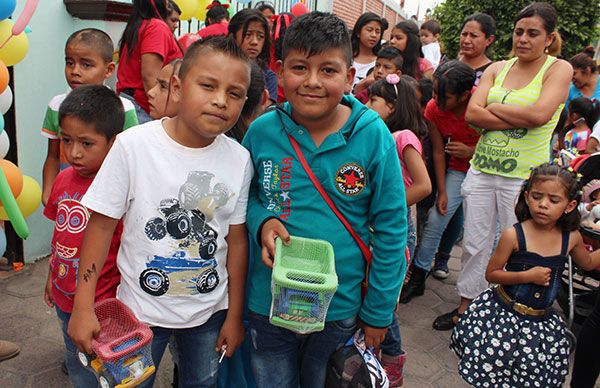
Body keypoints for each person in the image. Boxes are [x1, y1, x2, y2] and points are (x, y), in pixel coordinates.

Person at [67, 36, 254, 387]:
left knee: (202, 383)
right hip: (137, 314)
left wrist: (235, 315)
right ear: (180, 87)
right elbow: (101, 225)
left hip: (208, 315)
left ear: (244, 101)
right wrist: (83, 306)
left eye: (234, 93)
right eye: (208, 85)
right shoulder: (134, 146)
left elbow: (237, 240)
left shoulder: (239, 159)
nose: (219, 100)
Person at [242, 12, 407, 388]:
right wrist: (262, 221)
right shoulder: (263, 131)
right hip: (268, 302)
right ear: (281, 72)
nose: (312, 82)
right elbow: (245, 196)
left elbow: (392, 227)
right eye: (300, 68)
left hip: (339, 306)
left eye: (328, 70)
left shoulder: (373, 135)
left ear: (349, 78)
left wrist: (379, 312)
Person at [436, 1, 573, 331]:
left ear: (548, 37)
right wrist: (521, 119)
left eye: (533, 33)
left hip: (525, 177)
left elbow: (541, 115)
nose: (524, 38)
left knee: (518, 246)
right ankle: (467, 306)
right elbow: (472, 114)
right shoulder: (498, 68)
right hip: (483, 169)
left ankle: (508, 311)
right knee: (474, 243)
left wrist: (494, 113)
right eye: (519, 31)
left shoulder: (558, 69)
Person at [451, 163, 600, 387]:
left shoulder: (571, 237)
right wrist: (527, 276)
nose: (543, 205)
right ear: (527, 196)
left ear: (570, 206)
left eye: (553, 200)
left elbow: (587, 263)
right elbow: (492, 274)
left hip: (539, 323)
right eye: (537, 197)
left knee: (528, 376)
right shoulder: (513, 235)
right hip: (504, 317)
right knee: (494, 372)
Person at [43, 85, 124, 387]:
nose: (73, 152)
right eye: (66, 140)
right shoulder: (63, 180)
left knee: (111, 366)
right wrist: (51, 275)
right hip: (65, 298)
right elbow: (59, 235)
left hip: (105, 302)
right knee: (76, 360)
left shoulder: (120, 188)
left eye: (86, 143)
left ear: (112, 143)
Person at [366, 74, 430, 387]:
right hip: (378, 227)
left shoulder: (403, 136)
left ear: (391, 106)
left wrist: (386, 206)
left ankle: (393, 361)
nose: (366, 105)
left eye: (373, 101)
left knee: (385, 300)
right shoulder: (380, 135)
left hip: (394, 230)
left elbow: (423, 185)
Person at [401, 60, 478, 304]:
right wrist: (442, 191)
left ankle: (478, 292)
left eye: (444, 96)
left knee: (482, 235)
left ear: (466, 95)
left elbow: (502, 142)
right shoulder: (434, 109)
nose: (436, 99)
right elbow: (437, 151)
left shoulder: (482, 102)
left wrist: (471, 151)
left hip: (485, 171)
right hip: (455, 170)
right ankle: (419, 276)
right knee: (436, 218)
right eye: (434, 92)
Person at [41, 28, 138, 206]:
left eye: (86, 65)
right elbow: (53, 156)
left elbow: (133, 159)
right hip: (69, 197)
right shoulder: (56, 106)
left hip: (109, 199)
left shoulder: (124, 109)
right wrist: (48, 190)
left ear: (108, 70)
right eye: (69, 62)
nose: (75, 71)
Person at [116, 0, 182, 123]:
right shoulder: (156, 27)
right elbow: (150, 76)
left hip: (134, 103)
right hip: (143, 108)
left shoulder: (142, 24)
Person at [229, 9, 277, 103]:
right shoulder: (221, 68)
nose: (254, 42)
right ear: (234, 36)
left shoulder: (268, 77)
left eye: (260, 36)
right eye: (248, 34)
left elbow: (266, 111)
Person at [458, 13, 496, 86]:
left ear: (489, 40)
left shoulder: (494, 72)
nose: (466, 41)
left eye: (474, 36)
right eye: (464, 34)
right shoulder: (448, 68)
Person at [350, 12, 387, 89]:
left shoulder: (380, 62)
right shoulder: (345, 56)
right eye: (369, 30)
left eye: (377, 32)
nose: (374, 35)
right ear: (358, 32)